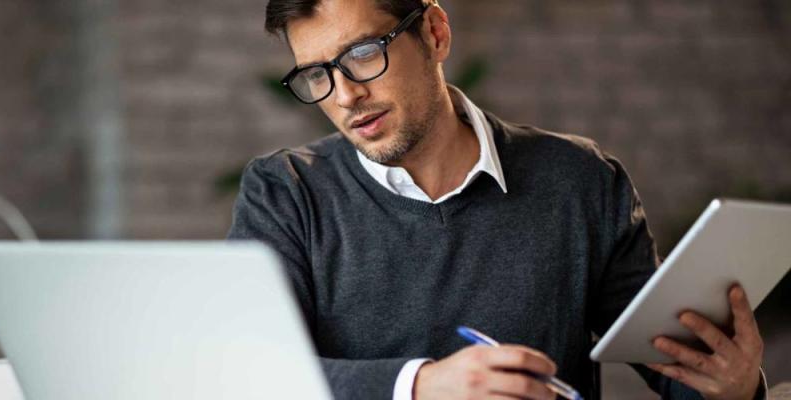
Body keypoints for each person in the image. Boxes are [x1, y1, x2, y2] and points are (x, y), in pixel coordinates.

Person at [227, 1, 768, 399]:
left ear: (435, 34)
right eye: (317, 74)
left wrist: (733, 386)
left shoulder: (581, 180)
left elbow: (675, 370)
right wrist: (419, 386)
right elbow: (250, 373)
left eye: (363, 54)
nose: (345, 96)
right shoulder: (285, 193)